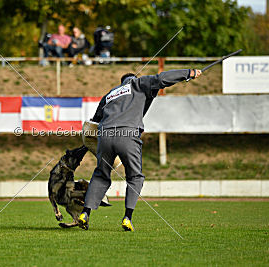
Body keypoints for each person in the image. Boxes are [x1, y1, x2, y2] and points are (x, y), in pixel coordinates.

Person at [78, 68, 202, 231]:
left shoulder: (110, 94)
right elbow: (162, 78)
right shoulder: (138, 83)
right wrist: (189, 73)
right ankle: (127, 218)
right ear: (132, 78)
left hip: (105, 135)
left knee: (101, 174)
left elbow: (95, 121)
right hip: (127, 134)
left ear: (121, 82)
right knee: (135, 176)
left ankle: (85, 214)